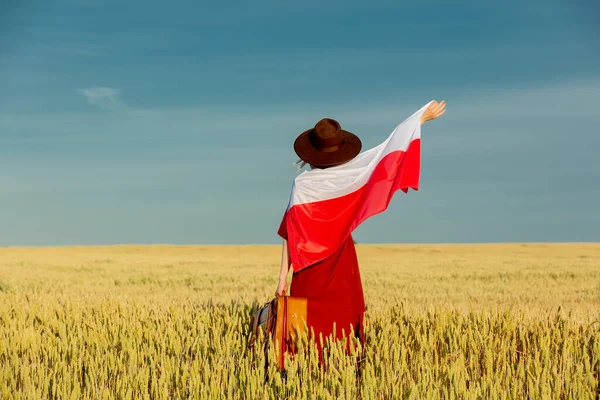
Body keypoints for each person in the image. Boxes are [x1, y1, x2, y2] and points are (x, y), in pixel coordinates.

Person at [274, 100, 447, 356]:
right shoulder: (352, 177)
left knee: (306, 331)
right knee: (343, 323)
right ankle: (345, 371)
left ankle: (305, 373)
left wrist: (281, 278)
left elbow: (290, 233)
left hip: (308, 269)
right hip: (342, 266)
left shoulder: (303, 185)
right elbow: (387, 149)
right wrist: (418, 120)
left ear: (311, 153)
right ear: (341, 150)